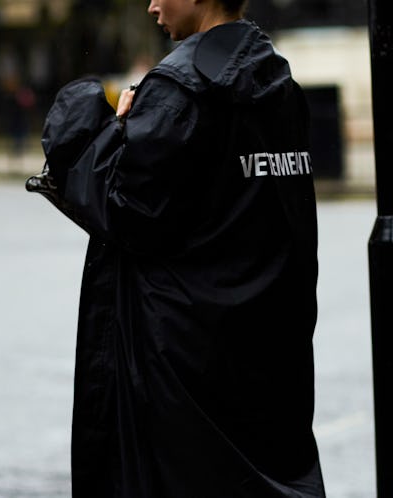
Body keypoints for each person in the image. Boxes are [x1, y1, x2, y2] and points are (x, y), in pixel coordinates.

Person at [26, 0, 325, 496]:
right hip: (268, 368)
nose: (152, 5)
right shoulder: (278, 85)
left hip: (180, 380)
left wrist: (98, 128)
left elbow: (126, 210)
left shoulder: (178, 91)